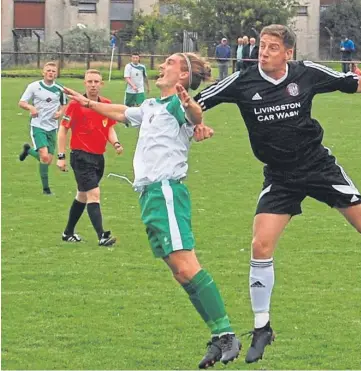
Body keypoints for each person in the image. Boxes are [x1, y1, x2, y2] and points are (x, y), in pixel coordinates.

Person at [194, 24, 361, 363]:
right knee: (260, 245)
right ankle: (262, 326)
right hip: (281, 177)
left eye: (272, 47)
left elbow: (352, 83)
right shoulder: (243, 81)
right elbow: (198, 102)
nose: (264, 52)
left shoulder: (306, 73)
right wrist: (196, 121)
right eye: (262, 46)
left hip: (317, 167)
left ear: (288, 53)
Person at [63, 53, 241, 369]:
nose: (161, 66)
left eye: (169, 63)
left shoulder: (177, 105)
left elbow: (196, 116)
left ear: (183, 75)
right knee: (178, 270)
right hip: (149, 196)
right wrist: (89, 104)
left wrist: (190, 105)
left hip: (166, 192)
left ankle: (226, 332)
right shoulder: (151, 107)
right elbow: (120, 111)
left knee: (187, 265)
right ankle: (217, 335)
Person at [57, 69, 120, 246]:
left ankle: (68, 232)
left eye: (96, 82)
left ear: (101, 84)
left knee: (82, 195)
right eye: (90, 81)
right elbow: (63, 129)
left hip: (98, 157)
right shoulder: (75, 105)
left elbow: (109, 128)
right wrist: (61, 156)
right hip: (80, 156)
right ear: (85, 83)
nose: (93, 85)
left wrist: (116, 143)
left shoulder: (105, 104)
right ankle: (102, 235)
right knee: (94, 193)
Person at [18, 62, 67, 195]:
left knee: (47, 160)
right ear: (43, 72)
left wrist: (60, 112)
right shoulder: (34, 86)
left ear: (56, 73)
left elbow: (64, 104)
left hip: (52, 127)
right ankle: (46, 189)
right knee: (44, 157)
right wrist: (31, 107)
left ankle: (28, 151)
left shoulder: (60, 88)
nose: (51, 73)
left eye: (53, 71)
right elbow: (22, 102)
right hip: (38, 125)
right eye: (48, 70)